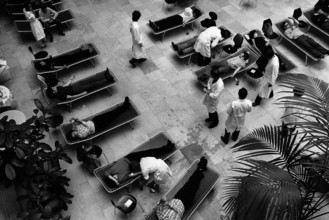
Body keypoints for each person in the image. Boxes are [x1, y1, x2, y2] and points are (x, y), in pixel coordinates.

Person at [103, 140, 175, 192]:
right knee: (151, 155)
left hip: (129, 157)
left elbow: (106, 173)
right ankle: (168, 148)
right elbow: (130, 175)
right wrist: (140, 172)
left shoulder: (110, 171)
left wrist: (114, 180)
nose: (116, 177)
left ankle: (166, 147)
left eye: (114, 177)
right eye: (116, 179)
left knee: (148, 152)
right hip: (133, 165)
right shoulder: (120, 179)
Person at [44, 70, 114, 100]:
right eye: (53, 88)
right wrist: (82, 94)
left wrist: (71, 79)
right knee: (93, 84)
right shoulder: (60, 96)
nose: (54, 87)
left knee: (91, 79)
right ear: (53, 92)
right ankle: (107, 79)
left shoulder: (58, 89)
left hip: (75, 85)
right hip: (77, 90)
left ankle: (104, 75)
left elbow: (65, 86)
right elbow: (71, 96)